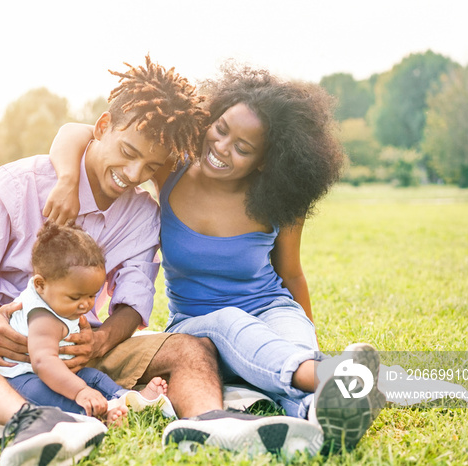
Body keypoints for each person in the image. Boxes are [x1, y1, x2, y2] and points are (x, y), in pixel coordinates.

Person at [0, 57, 321, 466]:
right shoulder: (18, 184)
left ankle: (209, 424)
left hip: (78, 343)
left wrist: (101, 340)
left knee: (192, 348)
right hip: (0, 334)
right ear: (102, 128)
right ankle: (28, 420)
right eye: (126, 151)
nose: (135, 173)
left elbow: (134, 300)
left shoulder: (140, 212)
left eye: (150, 165)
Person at [46, 63, 386, 454]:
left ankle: (323, 421)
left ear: (263, 160)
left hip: (271, 310)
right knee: (234, 324)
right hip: (198, 325)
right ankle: (333, 373)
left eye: (243, 148)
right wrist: (67, 180)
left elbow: (291, 274)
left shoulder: (279, 199)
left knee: (293, 360)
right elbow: (76, 132)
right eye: (220, 129)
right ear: (211, 117)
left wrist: (304, 334)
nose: (222, 148)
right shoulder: (172, 169)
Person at [0, 221, 173, 425]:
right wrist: (80, 391)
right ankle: (96, 415)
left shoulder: (51, 291)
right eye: (75, 298)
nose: (85, 305)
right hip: (19, 377)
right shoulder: (43, 318)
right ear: (40, 284)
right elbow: (43, 363)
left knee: (92, 376)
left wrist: (82, 385)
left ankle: (128, 398)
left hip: (56, 368)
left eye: (92, 295)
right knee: (45, 394)